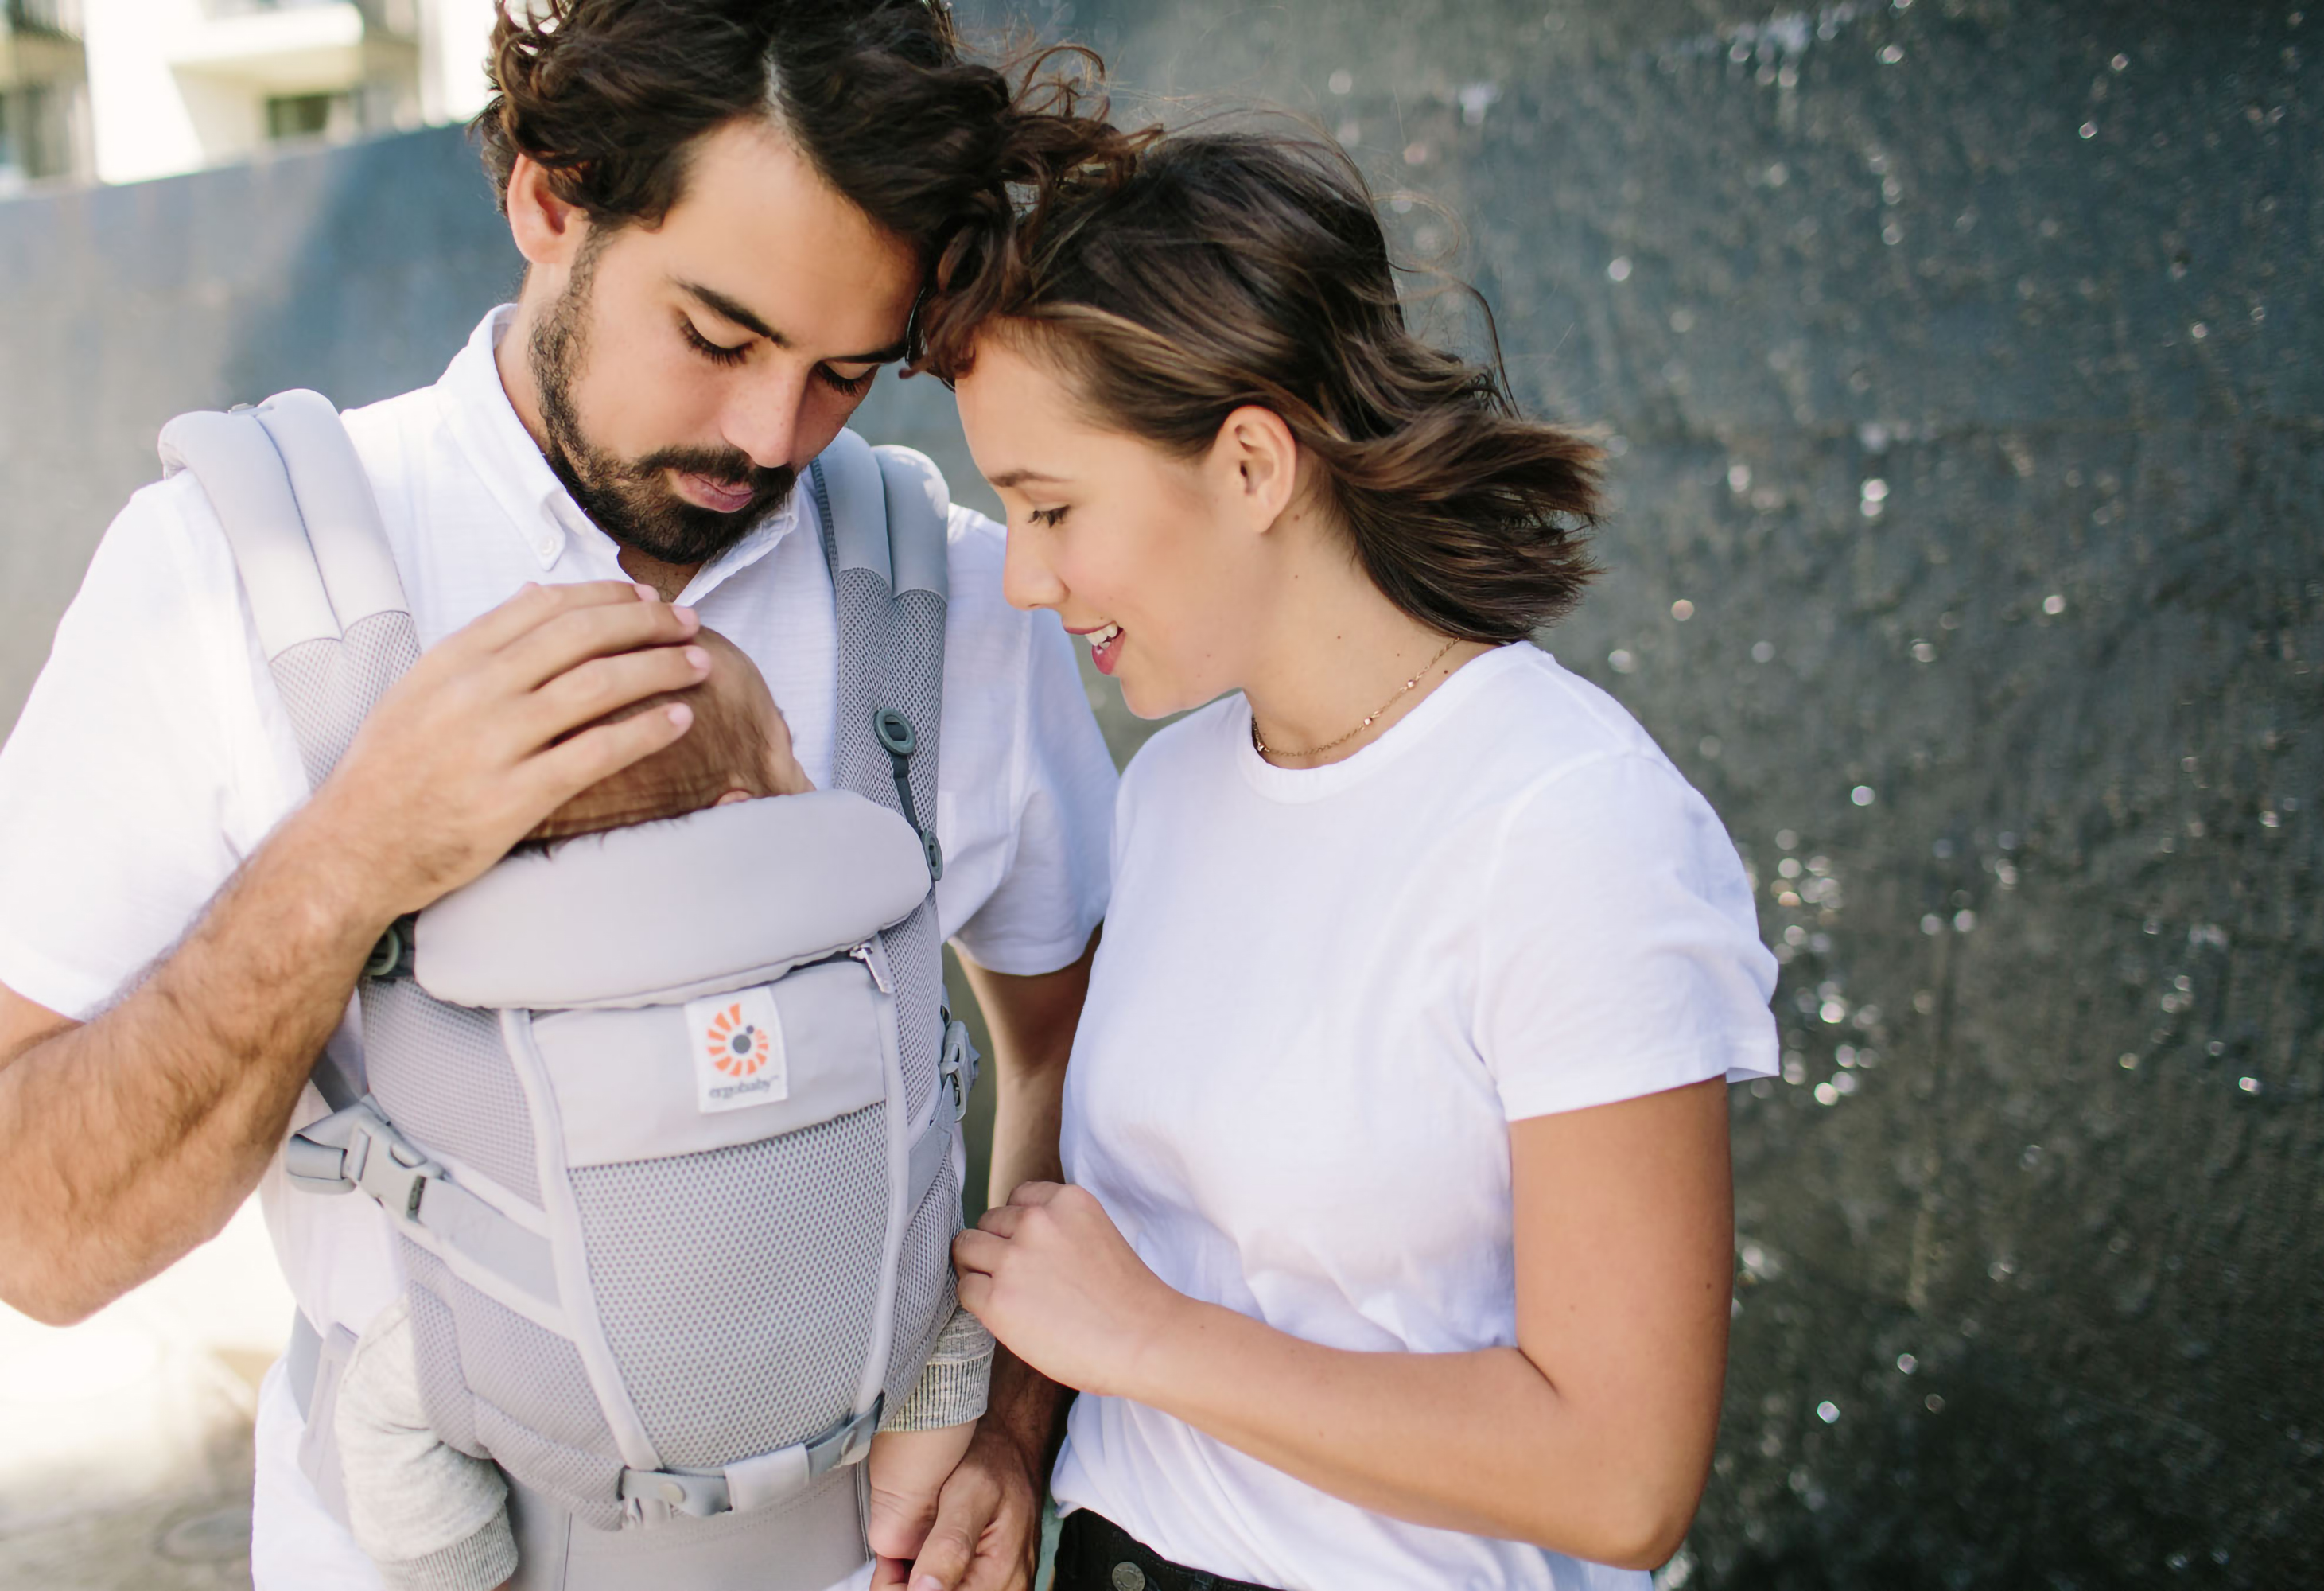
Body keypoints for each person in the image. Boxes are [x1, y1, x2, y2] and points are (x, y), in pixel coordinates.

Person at [0, 4, 1120, 1588]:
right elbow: (38, 1236)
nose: (768, 437)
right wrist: (351, 858)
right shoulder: (226, 577)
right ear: (549, 198)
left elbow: (1076, 1049)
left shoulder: (950, 596)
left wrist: (1010, 1419)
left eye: (843, 375)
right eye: (717, 338)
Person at [930, 129, 1781, 1590]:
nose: (1023, 576)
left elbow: (1623, 1477)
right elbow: (1108, 1243)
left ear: (1251, 463)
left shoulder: (1571, 827)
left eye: (1052, 508)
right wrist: (1014, 1437)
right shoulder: (1177, 785)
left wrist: (1150, 1341)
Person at [326, 624, 994, 1590]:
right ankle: (899, 1524)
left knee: (389, 1403)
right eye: (786, 748)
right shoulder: (848, 910)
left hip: (557, 1372)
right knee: (949, 1307)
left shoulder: (498, 958)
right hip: (857, 1330)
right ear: (737, 815)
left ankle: (465, 1574)